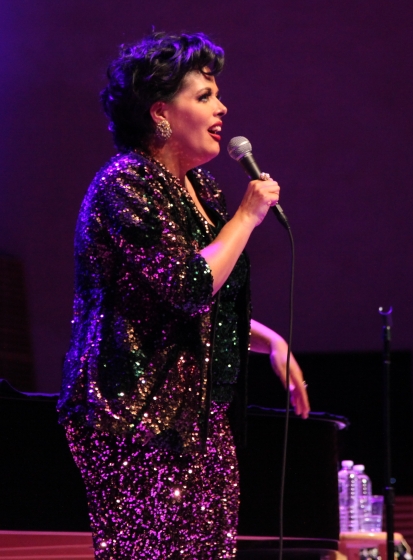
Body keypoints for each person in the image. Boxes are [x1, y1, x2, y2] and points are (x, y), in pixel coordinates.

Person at [57, 32, 310, 558]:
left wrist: (272, 343)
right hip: (133, 416)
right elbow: (188, 285)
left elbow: (208, 304)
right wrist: (247, 217)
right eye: (204, 96)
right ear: (160, 113)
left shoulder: (203, 191)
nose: (223, 107)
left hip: (195, 416)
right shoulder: (125, 184)